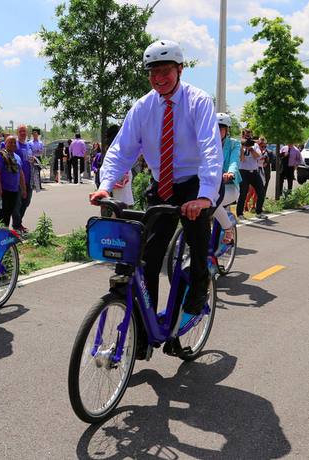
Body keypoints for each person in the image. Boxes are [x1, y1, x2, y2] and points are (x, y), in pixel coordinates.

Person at [90, 40, 223, 325]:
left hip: (196, 183)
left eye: (166, 71)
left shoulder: (199, 101)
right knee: (146, 258)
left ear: (180, 70)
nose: (159, 78)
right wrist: (105, 184)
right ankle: (143, 326)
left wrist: (205, 196)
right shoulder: (143, 107)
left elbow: (211, 150)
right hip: (162, 186)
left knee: (198, 240)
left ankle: (200, 288)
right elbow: (121, 149)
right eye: (153, 72)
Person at [213, 113, 241, 244]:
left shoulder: (234, 144)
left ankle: (228, 228)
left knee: (213, 202)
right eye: (214, 127)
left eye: (221, 128)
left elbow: (235, 161)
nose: (217, 131)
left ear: (227, 130)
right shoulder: (208, 143)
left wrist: (230, 172)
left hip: (229, 186)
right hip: (211, 185)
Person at [0, 135, 27, 227]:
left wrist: (24, 189)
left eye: (14, 142)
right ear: (5, 143)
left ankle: (5, 234)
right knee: (2, 215)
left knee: (9, 213)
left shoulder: (17, 157)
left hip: (14, 191)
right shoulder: (1, 156)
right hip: (3, 191)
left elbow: (21, 174)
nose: (13, 144)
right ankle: (0, 236)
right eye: (10, 142)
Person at [236, 128, 267, 220]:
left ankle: (259, 211)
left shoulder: (255, 145)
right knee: (243, 193)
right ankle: (240, 213)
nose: (248, 138)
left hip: (254, 171)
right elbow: (240, 159)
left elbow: (259, 157)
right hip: (243, 172)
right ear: (242, 137)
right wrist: (243, 147)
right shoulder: (239, 145)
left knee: (261, 192)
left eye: (250, 136)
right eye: (246, 136)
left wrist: (251, 148)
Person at [11, 124, 34, 234]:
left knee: (26, 202)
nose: (22, 133)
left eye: (24, 131)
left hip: (29, 179)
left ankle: (19, 223)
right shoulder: (15, 145)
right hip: (18, 180)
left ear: (27, 132)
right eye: (20, 131)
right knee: (17, 204)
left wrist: (33, 159)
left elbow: (30, 158)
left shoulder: (29, 145)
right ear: (17, 132)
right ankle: (16, 225)